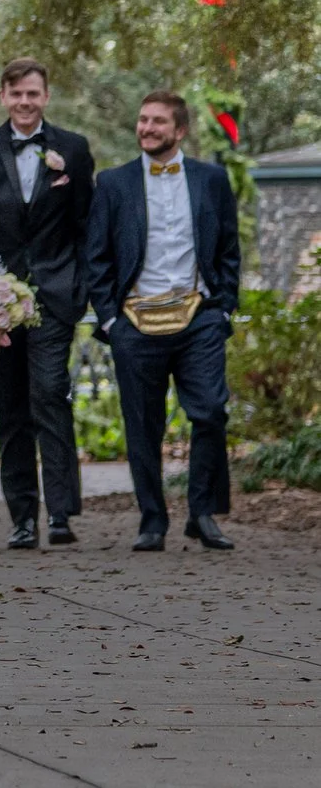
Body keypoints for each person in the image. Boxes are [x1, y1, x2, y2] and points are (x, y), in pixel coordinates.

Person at [85, 90, 241, 553]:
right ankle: (152, 519)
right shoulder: (113, 183)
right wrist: (111, 320)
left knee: (210, 411)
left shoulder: (211, 179)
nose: (147, 128)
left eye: (158, 122)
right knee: (142, 425)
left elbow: (229, 249)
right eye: (143, 120)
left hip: (200, 317)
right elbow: (97, 257)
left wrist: (224, 306)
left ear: (180, 130)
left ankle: (202, 513)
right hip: (134, 320)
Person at [0, 57, 97, 548]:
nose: (24, 102)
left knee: (49, 393)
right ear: (3, 96)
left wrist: (79, 291)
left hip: (55, 296)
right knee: (11, 406)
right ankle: (22, 516)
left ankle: (60, 513)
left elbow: (86, 226)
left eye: (33, 94)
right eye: (16, 93)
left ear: (45, 96)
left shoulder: (73, 150)